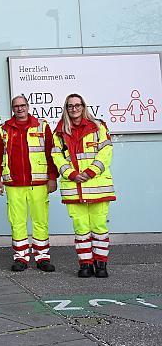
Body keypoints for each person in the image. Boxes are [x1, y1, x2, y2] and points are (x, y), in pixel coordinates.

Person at [51, 94, 116, 278]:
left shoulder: (98, 127)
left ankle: (101, 265)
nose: (74, 109)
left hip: (97, 186)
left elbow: (106, 152)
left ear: (83, 106)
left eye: (77, 105)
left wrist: (90, 172)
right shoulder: (60, 132)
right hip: (74, 187)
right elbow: (57, 157)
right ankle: (85, 265)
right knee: (80, 228)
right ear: (66, 108)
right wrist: (71, 174)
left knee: (99, 226)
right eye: (70, 106)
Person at [0, 95, 58, 272]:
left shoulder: (42, 126)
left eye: (22, 105)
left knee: (40, 221)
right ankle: (21, 257)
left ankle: (42, 257)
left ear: (28, 106)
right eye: (16, 106)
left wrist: (53, 177)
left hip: (38, 183)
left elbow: (52, 153)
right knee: (17, 222)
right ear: (12, 109)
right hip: (13, 183)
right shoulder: (4, 129)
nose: (20, 109)